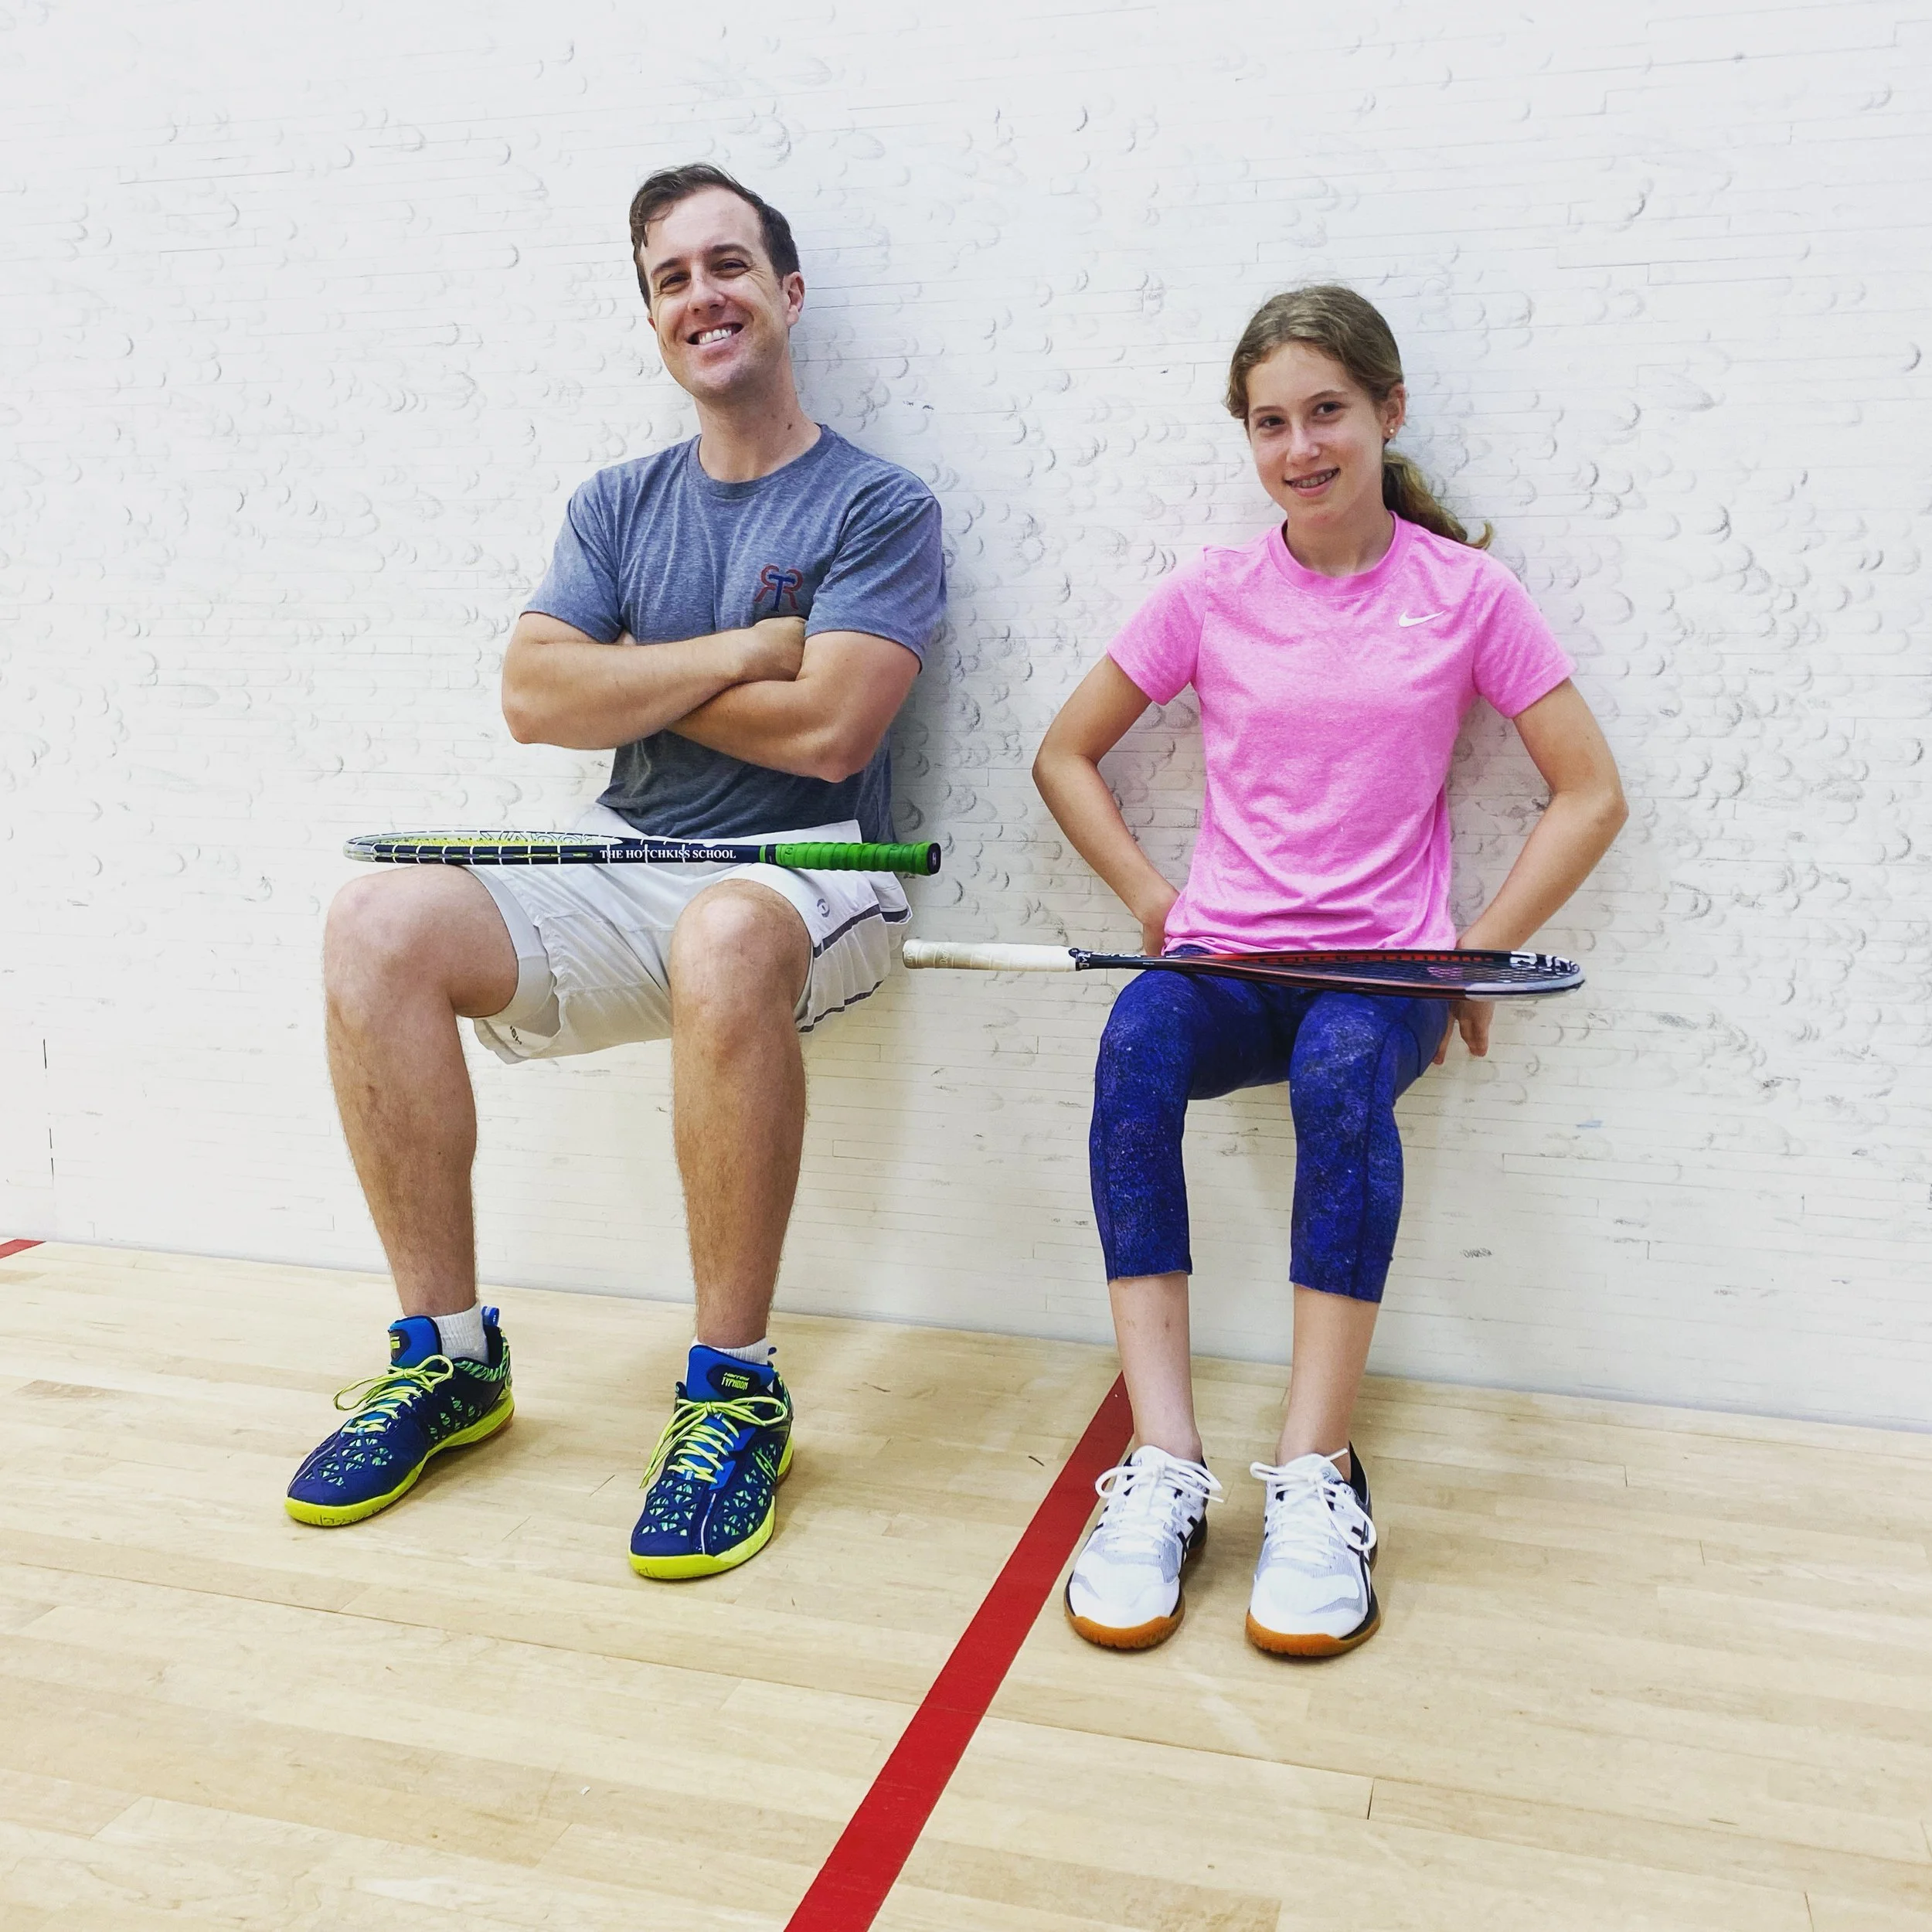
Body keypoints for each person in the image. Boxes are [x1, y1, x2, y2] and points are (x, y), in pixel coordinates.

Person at [286, 164, 945, 1583]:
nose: (702, 296)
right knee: (375, 921)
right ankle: (450, 1361)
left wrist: (624, 682)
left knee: (722, 934)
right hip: (628, 856)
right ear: (653, 317)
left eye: (728, 265)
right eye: (671, 279)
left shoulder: (881, 505)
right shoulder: (617, 503)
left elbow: (833, 729)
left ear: (786, 291)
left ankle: (733, 1392)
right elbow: (533, 696)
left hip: (816, 865)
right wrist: (738, 653)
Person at [1032, 285, 1625, 1656]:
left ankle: (1316, 1475)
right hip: (1234, 959)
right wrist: (1149, 898)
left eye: (1327, 413)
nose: (1301, 448)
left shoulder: (1467, 595)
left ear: (1387, 411)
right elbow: (1066, 753)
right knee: (1135, 1043)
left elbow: (1589, 793)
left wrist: (1467, 958)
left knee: (1348, 1069)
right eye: (1270, 424)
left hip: (1380, 977)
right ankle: (1165, 1469)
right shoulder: (1211, 592)